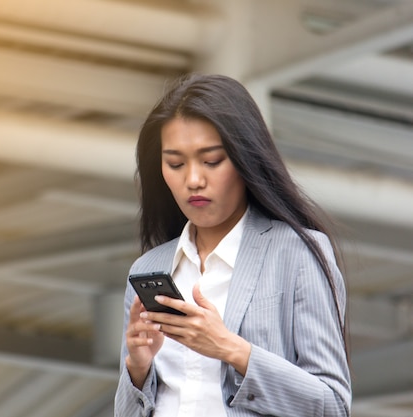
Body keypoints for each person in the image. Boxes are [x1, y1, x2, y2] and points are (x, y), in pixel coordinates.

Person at [114, 73, 351, 417]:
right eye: (175, 164)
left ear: (244, 159)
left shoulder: (297, 252)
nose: (193, 180)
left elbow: (332, 406)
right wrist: (138, 367)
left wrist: (230, 348)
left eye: (211, 160)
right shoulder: (148, 269)